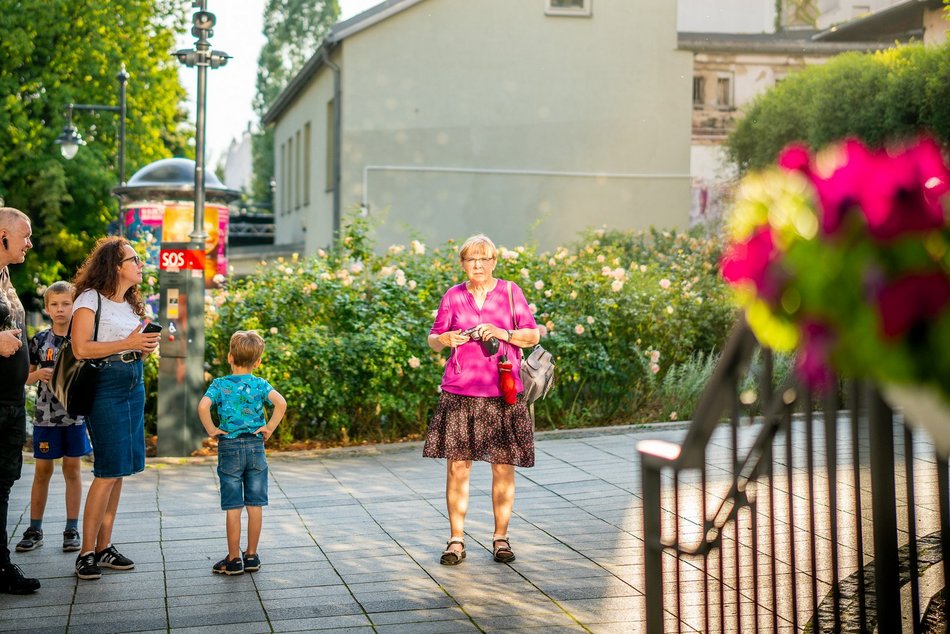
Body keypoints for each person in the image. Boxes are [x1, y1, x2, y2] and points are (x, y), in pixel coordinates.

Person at [423, 234, 540, 565]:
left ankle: (501, 538)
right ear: (462, 264)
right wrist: (444, 338)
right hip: (460, 393)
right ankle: (456, 540)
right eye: (471, 259)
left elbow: (532, 335)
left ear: (493, 262)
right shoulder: (453, 296)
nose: (478, 265)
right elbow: (433, 339)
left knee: (503, 467)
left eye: (484, 259)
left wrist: (502, 332)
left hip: (503, 393)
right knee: (458, 468)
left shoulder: (511, 292)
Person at [69, 237, 160, 581]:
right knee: (107, 470)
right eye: (134, 259)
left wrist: (142, 346)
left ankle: (104, 546)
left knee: (118, 469)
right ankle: (85, 553)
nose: (140, 264)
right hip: (105, 387)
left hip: (133, 384)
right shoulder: (89, 299)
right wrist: (128, 343)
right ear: (115, 266)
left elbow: (130, 346)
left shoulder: (131, 304)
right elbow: (80, 348)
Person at [198, 330, 286, 576]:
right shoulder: (259, 384)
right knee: (255, 504)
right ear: (257, 362)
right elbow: (281, 403)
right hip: (256, 447)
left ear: (230, 357)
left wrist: (212, 430)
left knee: (233, 506)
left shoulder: (219, 384)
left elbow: (203, 406)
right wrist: (269, 428)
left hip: (229, 447)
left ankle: (234, 559)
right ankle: (252, 556)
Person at [16, 282, 92, 554]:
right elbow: (23, 377)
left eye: (66, 304)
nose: (60, 309)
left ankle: (72, 528)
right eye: (55, 304)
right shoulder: (39, 340)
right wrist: (37, 375)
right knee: (42, 472)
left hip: (75, 418)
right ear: (47, 308)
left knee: (72, 470)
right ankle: (34, 529)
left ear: (75, 306)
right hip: (45, 418)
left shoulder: (83, 338)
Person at [0, 207, 41, 594]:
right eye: (25, 235)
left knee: (3, 484)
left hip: (10, 401)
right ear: (2, 236)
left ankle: (0, 565)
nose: (30, 243)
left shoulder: (5, 277)